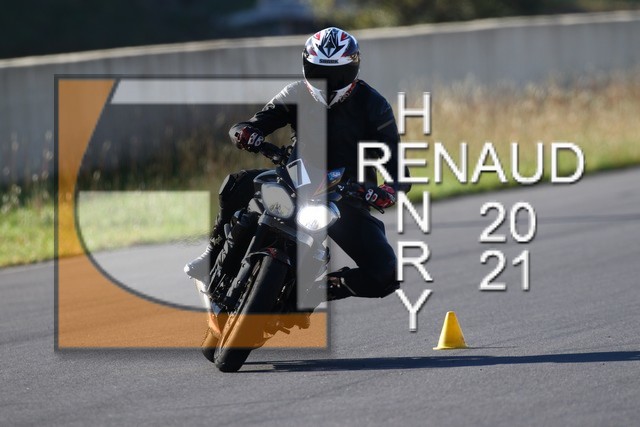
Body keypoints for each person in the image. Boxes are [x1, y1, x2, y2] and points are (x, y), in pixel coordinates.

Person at [185, 27, 409, 302]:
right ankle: (212, 256)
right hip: (294, 179)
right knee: (236, 184)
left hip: (346, 197)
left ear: (354, 68)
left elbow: (399, 171)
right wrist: (246, 133)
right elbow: (250, 125)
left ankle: (310, 294)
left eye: (337, 74)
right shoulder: (295, 92)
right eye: (318, 71)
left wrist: (386, 191)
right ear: (305, 65)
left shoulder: (375, 106)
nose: (327, 82)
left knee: (386, 273)